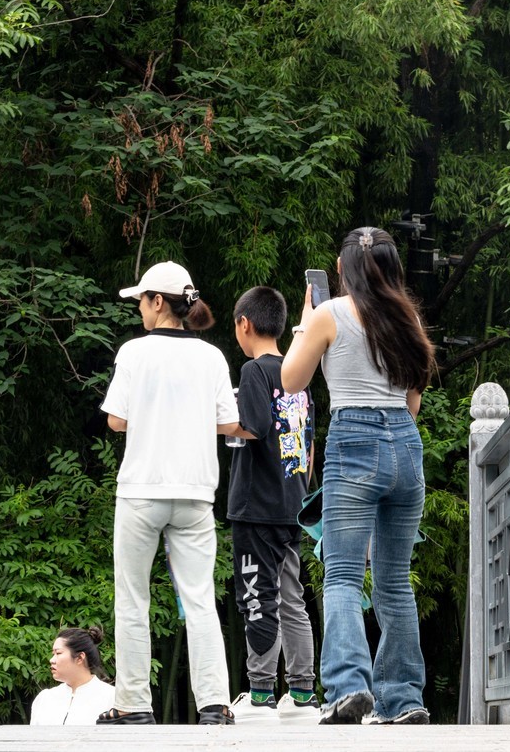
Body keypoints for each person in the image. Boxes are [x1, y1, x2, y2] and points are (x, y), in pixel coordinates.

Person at [281, 228, 435, 726]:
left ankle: (350, 689)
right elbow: (413, 402)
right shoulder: (407, 317)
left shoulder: (329, 314)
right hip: (405, 447)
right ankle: (405, 698)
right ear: (393, 270)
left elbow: (290, 380)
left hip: (355, 438)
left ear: (342, 270)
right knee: (394, 581)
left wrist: (305, 325)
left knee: (344, 574)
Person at [98, 260, 239, 726]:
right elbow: (226, 424)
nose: (139, 308)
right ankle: (215, 704)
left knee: (133, 598)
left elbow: (115, 420)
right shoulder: (212, 356)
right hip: (197, 492)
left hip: (141, 490)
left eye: (141, 300)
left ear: (159, 302)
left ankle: (135, 705)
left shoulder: (134, 353)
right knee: (199, 598)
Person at [224, 287, 319, 725]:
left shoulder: (253, 371)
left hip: (256, 505)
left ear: (245, 323)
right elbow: (308, 445)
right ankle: (301, 692)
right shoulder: (300, 376)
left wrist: (218, 418)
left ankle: (260, 693)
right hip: (293, 503)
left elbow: (256, 426)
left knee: (255, 593)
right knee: (291, 596)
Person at [29, 627, 116, 724]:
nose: (51, 660)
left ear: (80, 658)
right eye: (53, 654)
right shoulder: (45, 698)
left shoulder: (111, 698)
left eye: (58, 653)